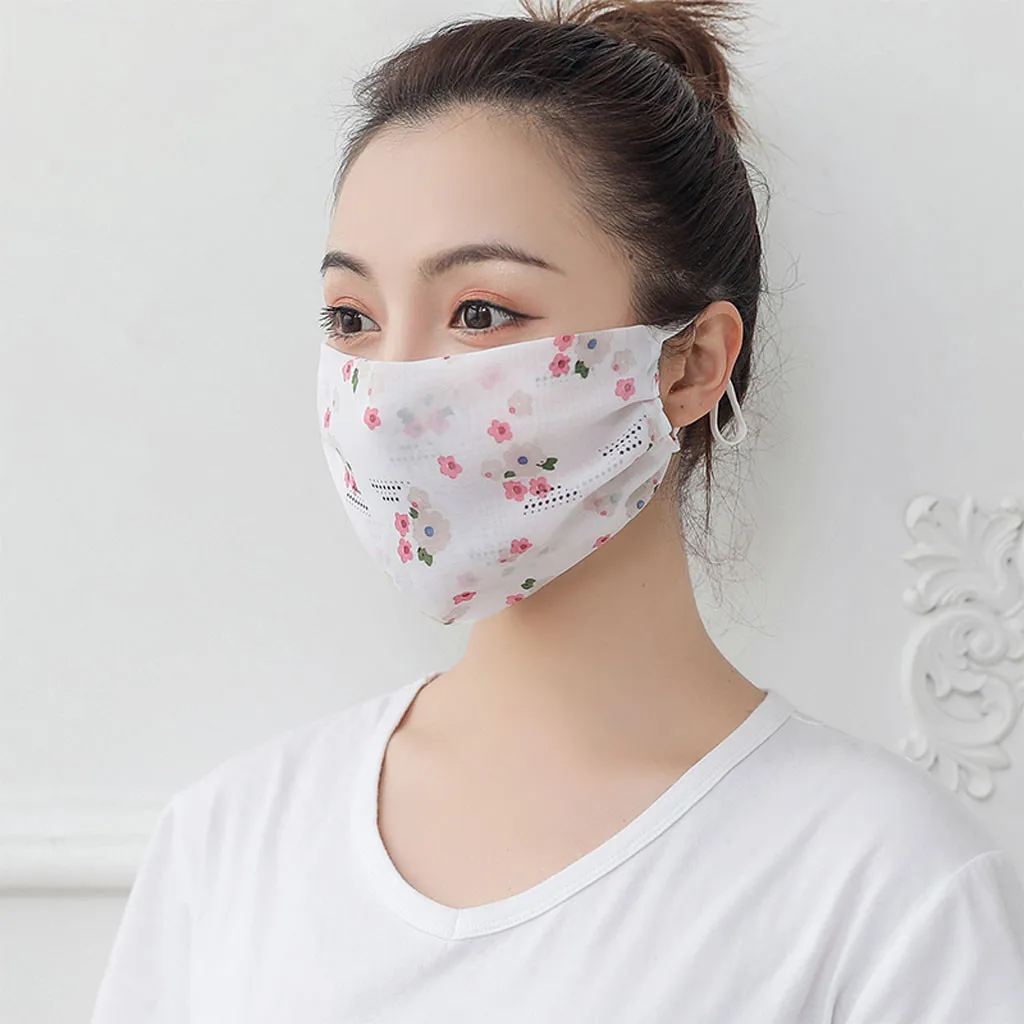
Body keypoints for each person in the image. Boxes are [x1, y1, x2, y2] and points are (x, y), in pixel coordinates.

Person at [92, 2, 1024, 1021]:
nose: (389, 392)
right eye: (351, 318)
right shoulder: (227, 847)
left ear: (688, 365)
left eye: (479, 312)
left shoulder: (882, 886)